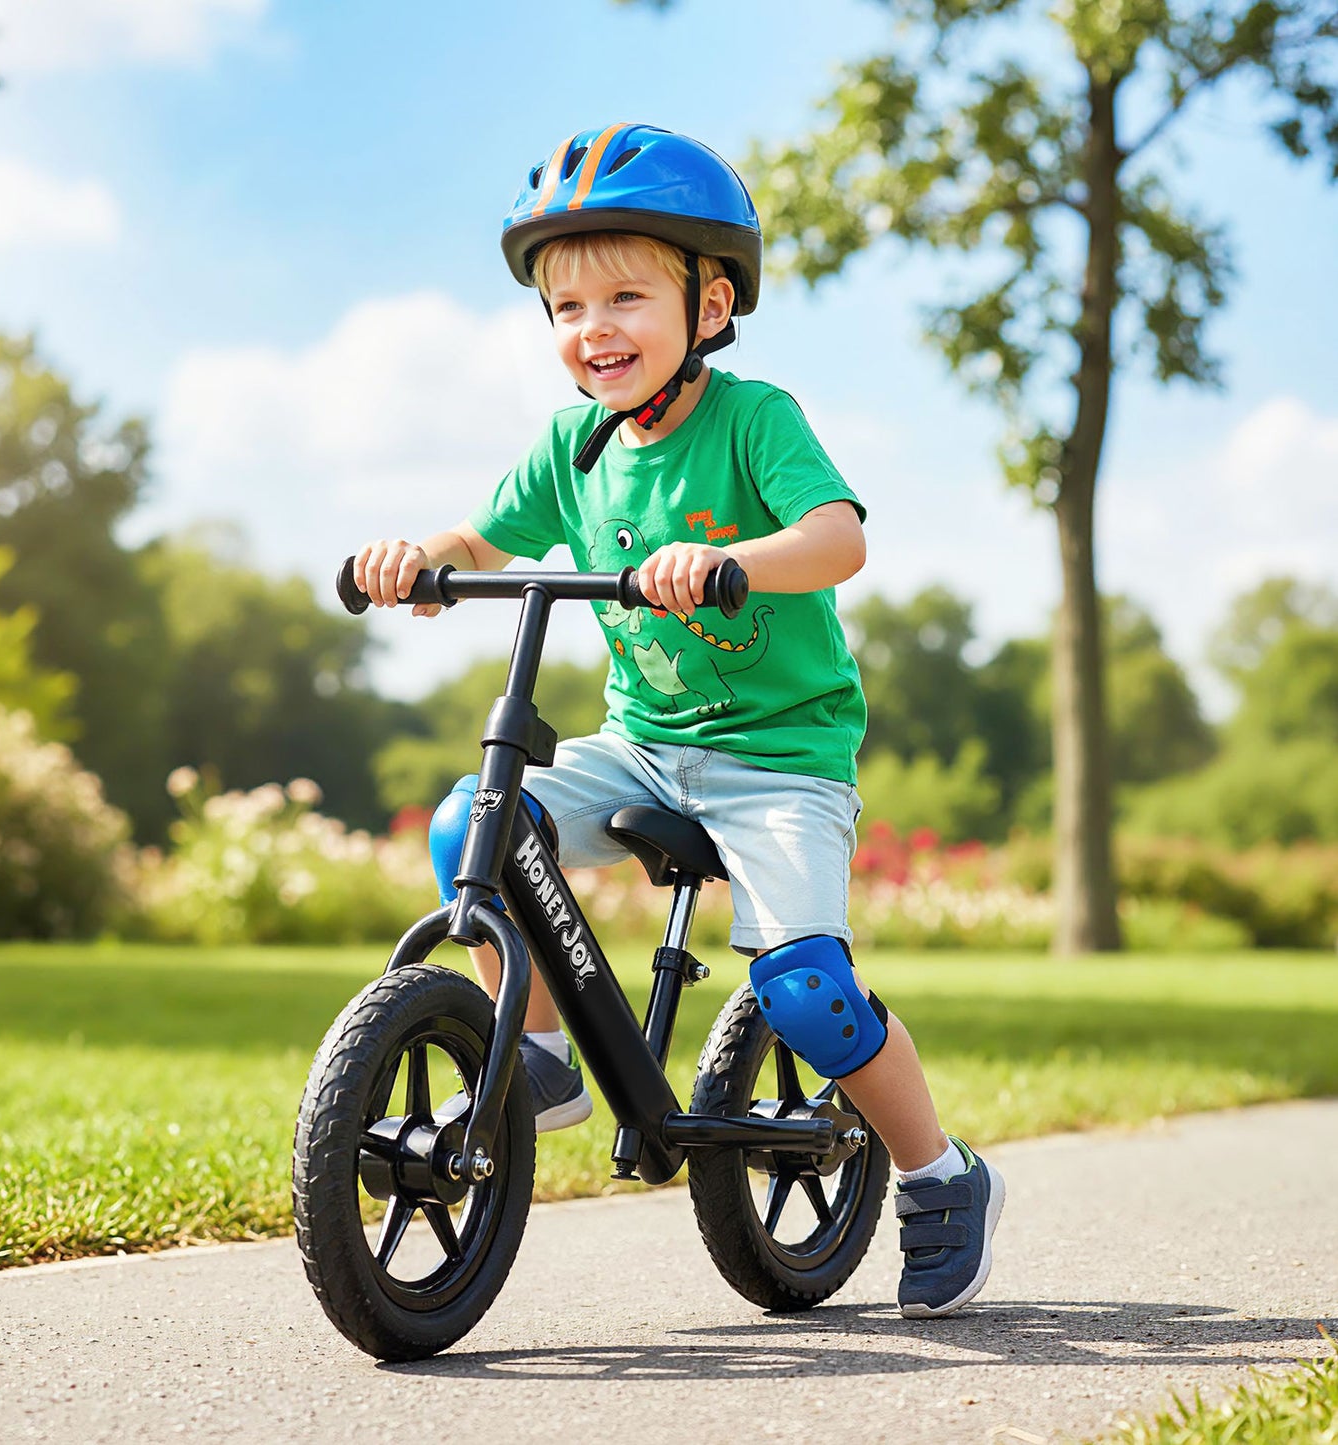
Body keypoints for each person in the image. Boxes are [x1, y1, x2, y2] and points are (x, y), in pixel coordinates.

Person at [355, 122, 1003, 1318]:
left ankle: (935, 1168)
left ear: (708, 304)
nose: (590, 327)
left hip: (776, 762)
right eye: (564, 306)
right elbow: (480, 536)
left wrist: (730, 562)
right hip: (640, 747)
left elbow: (837, 536)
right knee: (473, 828)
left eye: (624, 295)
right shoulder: (572, 445)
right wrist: (419, 557)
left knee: (804, 988)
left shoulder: (754, 418)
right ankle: (537, 1056)